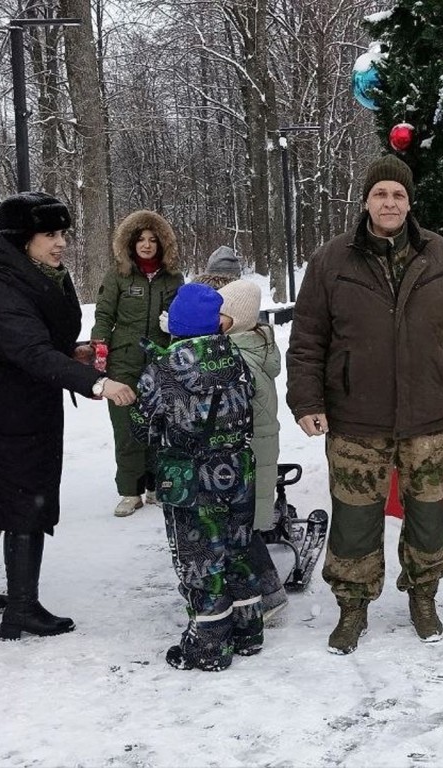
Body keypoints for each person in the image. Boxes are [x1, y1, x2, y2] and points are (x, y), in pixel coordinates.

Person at [287, 154, 443, 655]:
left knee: (427, 515)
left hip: (428, 416)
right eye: (381, 194)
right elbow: (308, 337)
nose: (390, 202)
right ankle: (352, 606)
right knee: (354, 519)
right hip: (356, 416)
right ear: (367, 201)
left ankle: (424, 595)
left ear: (409, 201)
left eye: (398, 194)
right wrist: (306, 398)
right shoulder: (333, 259)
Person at [0, 192, 136, 636]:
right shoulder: (2, 289)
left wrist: (71, 353)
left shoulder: (37, 275)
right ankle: (21, 609)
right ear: (22, 240)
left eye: (62, 234)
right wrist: (96, 383)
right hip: (1, 406)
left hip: (13, 397)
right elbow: (28, 349)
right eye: (49, 235)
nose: (61, 243)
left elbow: (35, 342)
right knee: (23, 496)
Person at [130, 282, 261, 671]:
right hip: (239, 470)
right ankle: (248, 632)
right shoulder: (234, 356)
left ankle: (209, 647)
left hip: (192, 477)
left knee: (201, 558)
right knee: (238, 549)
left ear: (177, 325)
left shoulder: (164, 368)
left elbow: (141, 424)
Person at [90, 210, 184, 518]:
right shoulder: (119, 274)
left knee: (159, 425)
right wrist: (100, 346)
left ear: (162, 244)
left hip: (160, 362)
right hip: (124, 361)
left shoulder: (174, 278)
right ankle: (130, 491)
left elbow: (183, 319)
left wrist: (175, 326)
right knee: (127, 427)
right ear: (131, 243)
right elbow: (104, 314)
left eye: (153, 240)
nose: (146, 245)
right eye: (141, 239)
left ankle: (156, 485)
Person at [217, 279, 287, 621]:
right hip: (259, 445)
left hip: (250, 449)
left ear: (240, 318)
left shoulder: (239, 356)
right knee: (246, 524)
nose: (216, 319)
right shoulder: (253, 343)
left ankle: (270, 595)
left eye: (222, 314)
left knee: (245, 528)